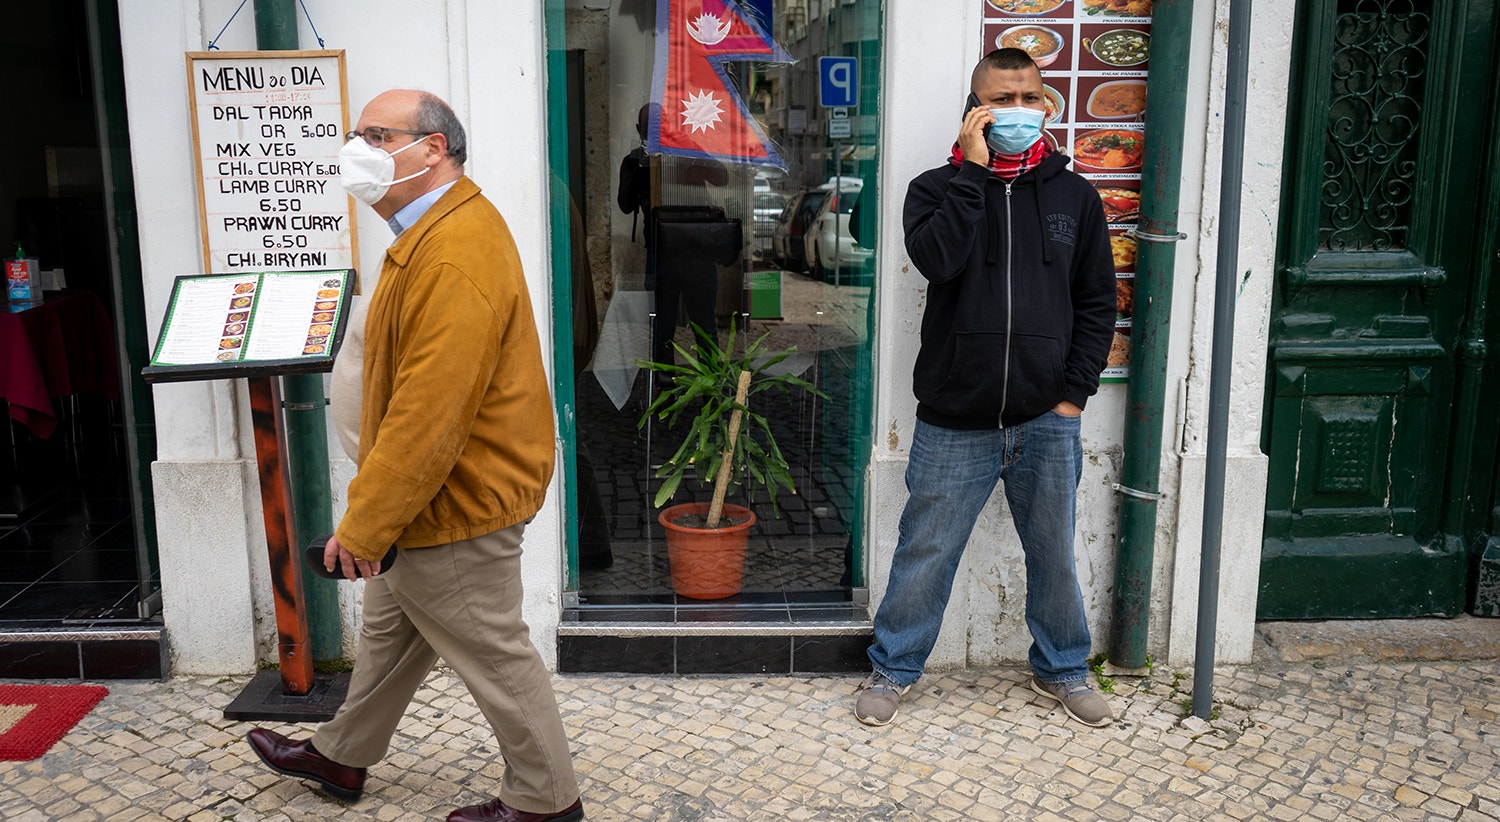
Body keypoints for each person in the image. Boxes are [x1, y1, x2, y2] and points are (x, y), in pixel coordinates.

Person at [244, 89, 586, 822]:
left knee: (495, 656)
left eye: (376, 134)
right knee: (389, 640)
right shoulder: (432, 230)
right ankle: (341, 755)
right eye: (356, 134)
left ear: (432, 149)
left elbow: (428, 417)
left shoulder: (454, 248)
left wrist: (362, 529)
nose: (357, 150)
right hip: (427, 503)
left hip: (452, 504)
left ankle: (547, 801)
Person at [855, 49, 1118, 728]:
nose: (1020, 112)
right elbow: (939, 259)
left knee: (1055, 553)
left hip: (1046, 416)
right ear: (974, 111)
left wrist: (1073, 397)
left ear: (1047, 105)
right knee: (927, 547)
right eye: (1003, 100)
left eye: (1031, 98)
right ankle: (894, 668)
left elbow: (1097, 303)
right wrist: (972, 171)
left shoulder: (1076, 197)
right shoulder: (934, 189)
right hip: (954, 415)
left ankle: (1063, 668)